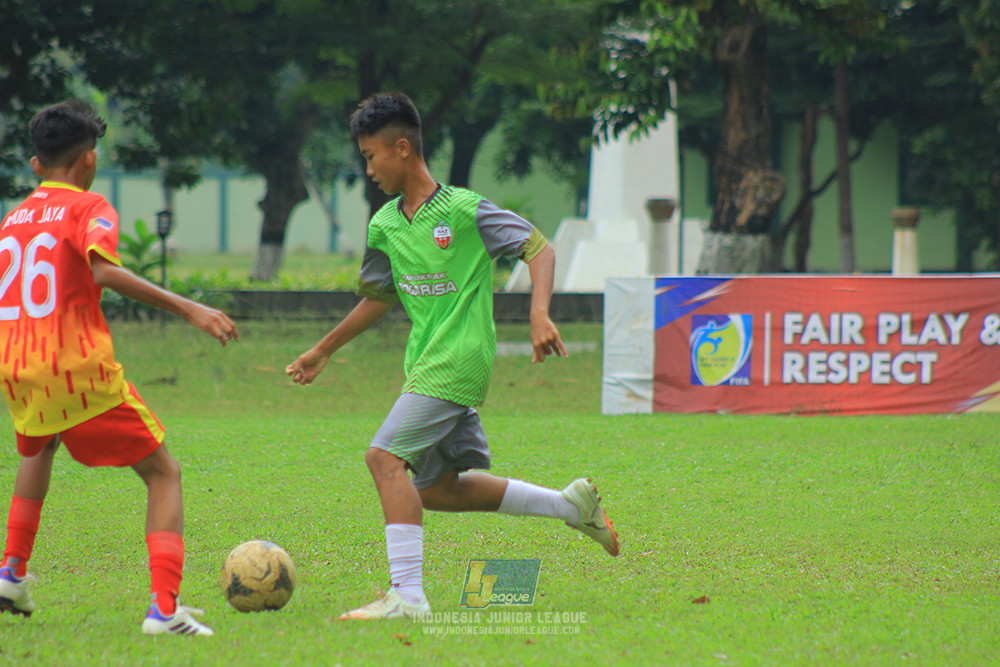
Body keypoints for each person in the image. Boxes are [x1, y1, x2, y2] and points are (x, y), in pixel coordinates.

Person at [286, 92, 620, 621]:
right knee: (436, 490)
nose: (367, 169)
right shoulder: (385, 224)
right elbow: (378, 298)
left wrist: (539, 314)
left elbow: (539, 248)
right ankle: (569, 505)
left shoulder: (464, 210)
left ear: (402, 148)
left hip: (459, 360)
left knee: (383, 459)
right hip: (424, 363)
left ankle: (408, 597)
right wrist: (323, 349)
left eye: (371, 156)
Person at [0, 100, 238, 636]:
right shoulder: (89, 207)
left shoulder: (12, 220)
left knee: (39, 447)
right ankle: (164, 609)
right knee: (163, 472)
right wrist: (191, 308)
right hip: (75, 369)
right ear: (90, 158)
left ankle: (11, 574)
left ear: (36, 165)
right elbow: (104, 271)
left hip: (18, 364)